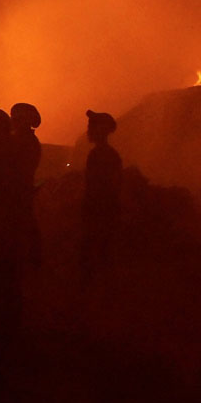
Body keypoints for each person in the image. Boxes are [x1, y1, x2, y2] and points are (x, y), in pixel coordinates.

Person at [81, 110, 122, 283]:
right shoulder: (107, 154)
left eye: (92, 126)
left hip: (100, 210)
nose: (88, 130)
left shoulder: (101, 155)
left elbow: (103, 186)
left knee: (98, 250)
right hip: (103, 209)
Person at [9, 102, 43, 266]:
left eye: (14, 119)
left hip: (18, 194)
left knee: (22, 228)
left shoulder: (24, 142)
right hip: (22, 192)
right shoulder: (27, 141)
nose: (11, 122)